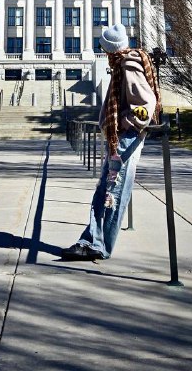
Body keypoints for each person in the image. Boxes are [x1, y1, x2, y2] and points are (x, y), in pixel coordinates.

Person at [61, 23, 161, 261]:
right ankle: (91, 240)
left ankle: (98, 244)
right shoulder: (122, 65)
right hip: (119, 139)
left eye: (104, 48)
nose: (103, 53)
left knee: (111, 193)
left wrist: (128, 123)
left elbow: (145, 104)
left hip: (125, 139)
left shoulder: (128, 66)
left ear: (110, 49)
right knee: (105, 191)